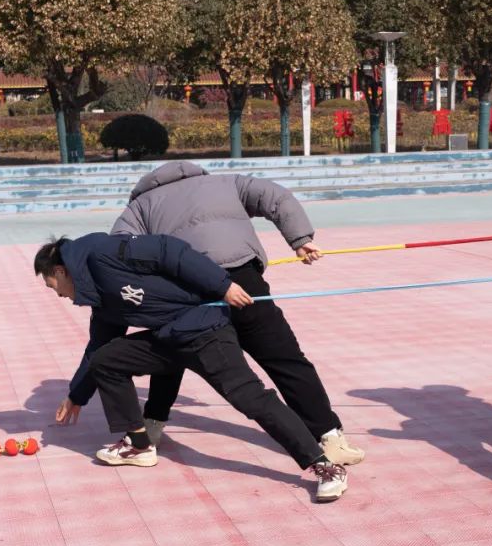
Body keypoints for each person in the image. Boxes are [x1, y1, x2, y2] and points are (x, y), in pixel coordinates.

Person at [71, 161, 362, 466]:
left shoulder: (139, 207)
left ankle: (152, 426)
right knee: (283, 357)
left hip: (188, 288)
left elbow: (121, 253)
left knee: (173, 349)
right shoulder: (227, 182)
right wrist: (300, 239)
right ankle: (329, 435)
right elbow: (276, 196)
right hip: (243, 280)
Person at [34, 234, 349, 502]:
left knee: (251, 399)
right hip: (168, 340)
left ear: (60, 270)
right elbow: (97, 346)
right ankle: (139, 446)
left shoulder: (105, 253)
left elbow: (170, 250)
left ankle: (324, 466)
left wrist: (223, 285)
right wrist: (77, 395)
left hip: (205, 332)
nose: (58, 294)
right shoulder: (97, 296)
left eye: (52, 285)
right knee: (106, 359)